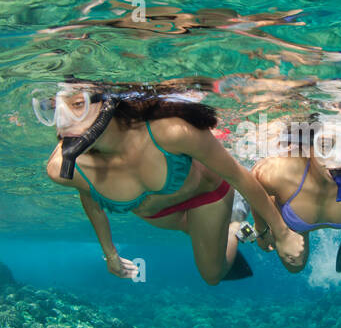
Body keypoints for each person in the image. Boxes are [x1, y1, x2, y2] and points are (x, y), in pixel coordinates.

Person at [35, 83, 306, 284]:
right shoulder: (62, 169)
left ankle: (235, 223)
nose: (62, 120)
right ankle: (227, 229)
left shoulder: (170, 131)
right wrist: (111, 255)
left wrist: (282, 232)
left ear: (106, 100)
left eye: (77, 104)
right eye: (50, 108)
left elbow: (236, 174)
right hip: (163, 216)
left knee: (212, 276)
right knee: (204, 240)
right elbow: (91, 198)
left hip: (206, 198)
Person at [245, 114, 341, 276]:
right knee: (295, 266)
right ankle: (279, 201)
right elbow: (254, 188)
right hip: (294, 218)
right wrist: (262, 228)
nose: (340, 159)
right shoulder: (280, 173)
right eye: (325, 145)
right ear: (307, 147)